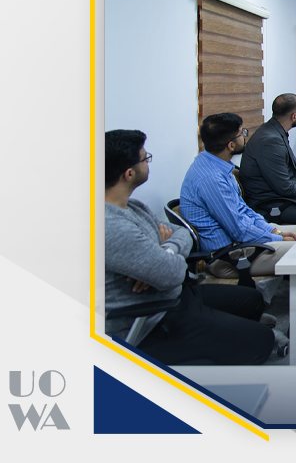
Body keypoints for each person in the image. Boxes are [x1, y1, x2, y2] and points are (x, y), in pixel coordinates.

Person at [104, 129, 274, 365]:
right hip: (150, 318)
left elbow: (183, 233)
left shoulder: (134, 207)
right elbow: (174, 273)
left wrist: (164, 251)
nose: (148, 162)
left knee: (252, 300)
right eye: (145, 158)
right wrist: (162, 260)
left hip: (175, 295)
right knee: (263, 341)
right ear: (129, 173)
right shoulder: (112, 226)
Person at [180, 112, 296, 279]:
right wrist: (277, 238)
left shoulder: (213, 163)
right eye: (242, 133)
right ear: (231, 145)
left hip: (243, 241)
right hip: (231, 256)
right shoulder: (212, 179)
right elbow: (239, 230)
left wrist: (274, 231)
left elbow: (242, 210)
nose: (245, 137)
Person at [239, 93, 296, 225]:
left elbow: (290, 178)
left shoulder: (273, 131)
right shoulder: (270, 140)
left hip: (281, 197)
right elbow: (285, 187)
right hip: (271, 204)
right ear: (294, 116)